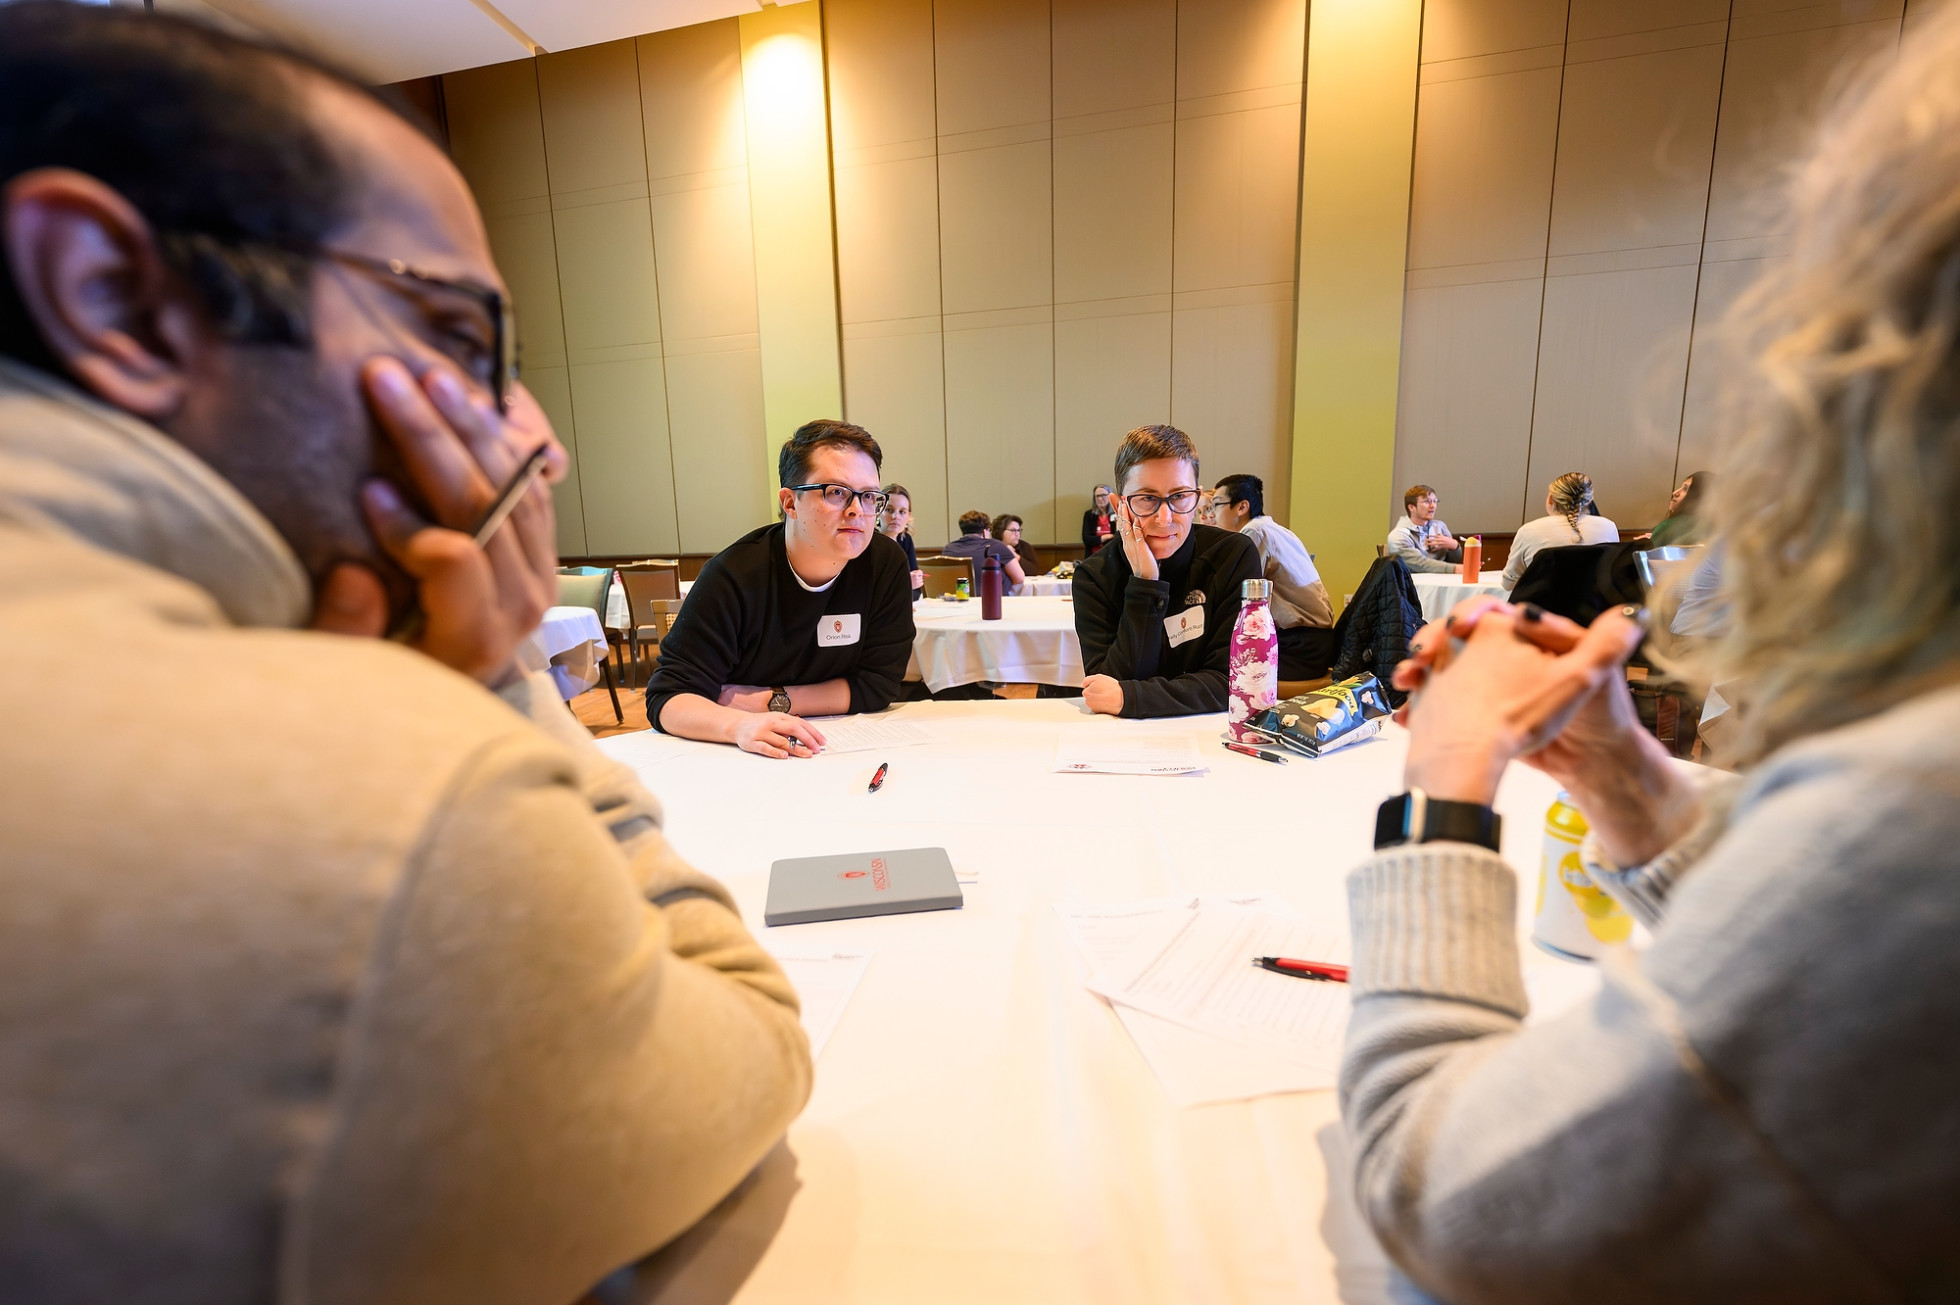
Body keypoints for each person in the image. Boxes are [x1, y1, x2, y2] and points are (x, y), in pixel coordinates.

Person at [0, 8, 811, 1303]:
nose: (534, 445)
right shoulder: (390, 806)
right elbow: (750, 1049)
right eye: (452, 336)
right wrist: (480, 687)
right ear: (115, 297)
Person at [1339, 11, 1960, 1299]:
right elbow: (1822, 972)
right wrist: (1623, 771)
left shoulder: (1922, 801)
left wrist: (1442, 790)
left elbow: (1442, 1195)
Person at [646, 420, 915, 757]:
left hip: (842, 748)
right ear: (790, 503)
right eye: (836, 492)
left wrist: (770, 701)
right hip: (743, 755)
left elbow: (879, 684)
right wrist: (738, 724)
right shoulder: (735, 575)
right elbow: (667, 697)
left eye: (869, 496)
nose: (856, 510)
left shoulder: (884, 564)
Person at [1074, 425, 1261, 717]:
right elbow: (1107, 686)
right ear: (1119, 505)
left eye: (1179, 496)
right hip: (1121, 742)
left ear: (1198, 498)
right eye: (1147, 498)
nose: (1165, 518)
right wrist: (1145, 583)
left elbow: (1235, 680)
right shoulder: (1093, 577)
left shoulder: (1233, 555)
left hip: (1213, 736)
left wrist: (1133, 697)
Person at [1208, 474, 1336, 679]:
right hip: (1315, 643)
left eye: (1216, 505)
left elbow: (1235, 593)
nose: (1211, 514)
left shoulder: (1253, 533)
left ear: (1242, 507)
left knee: (1215, 664)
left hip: (1299, 649)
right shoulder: (1275, 529)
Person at [1501, 470, 1621, 589]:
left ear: (1551, 499)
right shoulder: (1608, 527)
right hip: (1597, 606)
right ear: (1588, 500)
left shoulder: (1529, 531)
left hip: (1544, 605)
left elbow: (1509, 584)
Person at [940, 508, 1025, 588]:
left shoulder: (949, 549)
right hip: (991, 600)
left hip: (959, 600)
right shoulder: (997, 546)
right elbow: (1019, 578)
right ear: (985, 532)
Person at [1386, 485, 1461, 573]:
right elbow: (1419, 564)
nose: (1433, 506)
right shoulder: (1398, 536)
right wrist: (1455, 569)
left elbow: (1454, 561)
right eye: (1427, 501)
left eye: (1435, 501)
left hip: (1441, 580)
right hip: (1412, 584)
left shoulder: (1440, 527)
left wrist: (1455, 546)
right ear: (1411, 507)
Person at [880, 480, 925, 598]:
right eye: (889, 510)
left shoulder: (905, 540)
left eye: (902, 512)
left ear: (908, 516)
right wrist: (905, 584)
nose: (896, 517)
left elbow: (916, 591)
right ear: (878, 511)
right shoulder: (868, 543)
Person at [1650, 469, 1714, 546]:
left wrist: (1655, 537)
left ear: (1699, 496)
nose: (1675, 493)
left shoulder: (1668, 527)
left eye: (1685, 489)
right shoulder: (1715, 530)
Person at [991, 512, 1042, 584]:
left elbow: (1033, 571)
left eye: (1019, 530)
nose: (1017, 534)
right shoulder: (991, 547)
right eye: (1013, 530)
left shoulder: (1025, 547)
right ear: (1000, 531)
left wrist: (1014, 556)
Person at [1081, 484, 1116, 555]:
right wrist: (1107, 536)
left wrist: (1097, 539)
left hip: (1112, 556)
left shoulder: (1116, 514)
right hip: (1093, 557)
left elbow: (1118, 539)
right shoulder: (1089, 515)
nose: (1100, 499)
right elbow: (1086, 539)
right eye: (1097, 496)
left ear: (1110, 496)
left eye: (1103, 495)